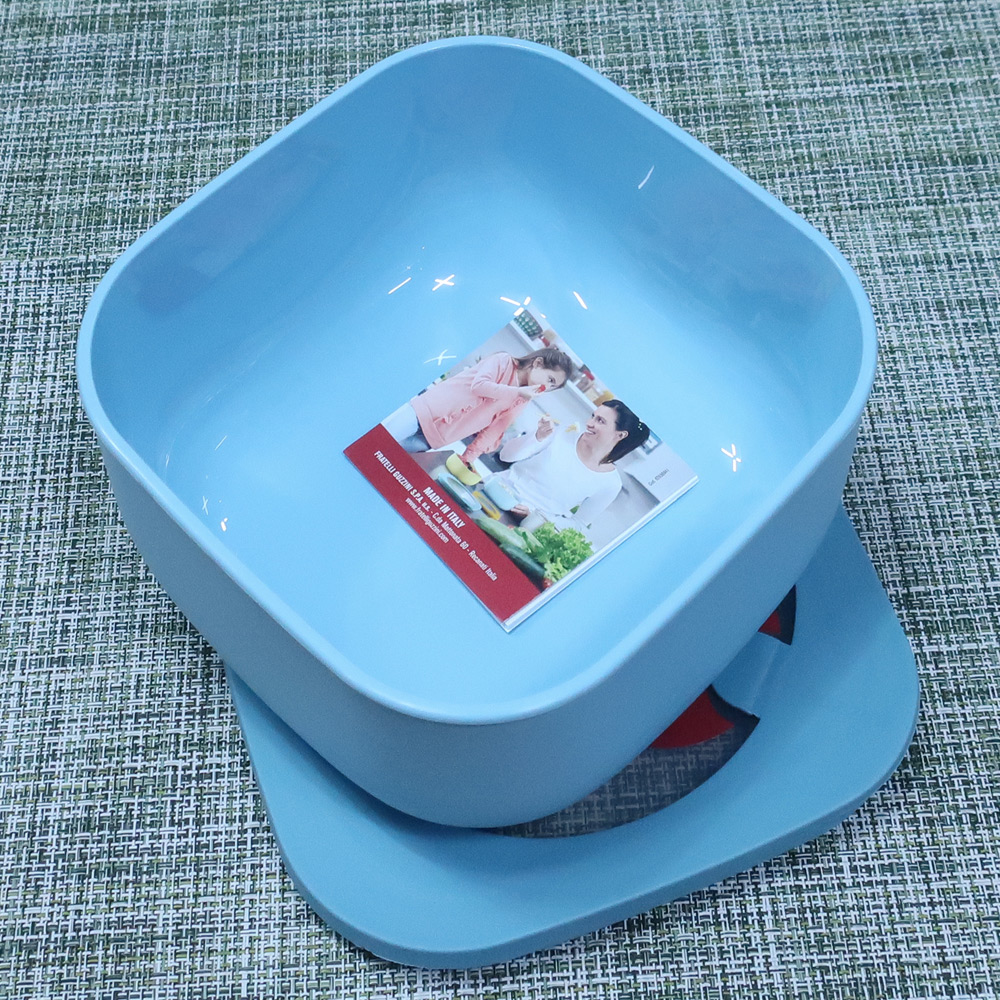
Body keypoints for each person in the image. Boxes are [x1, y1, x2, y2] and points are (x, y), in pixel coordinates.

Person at [382, 348, 574, 464]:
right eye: (550, 379)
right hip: (422, 412)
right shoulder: (503, 361)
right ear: (538, 363)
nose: (547, 387)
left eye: (552, 387)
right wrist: (517, 391)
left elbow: (496, 428)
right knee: (375, 445)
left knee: (385, 462)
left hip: (435, 438)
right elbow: (480, 386)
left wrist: (468, 458)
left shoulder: (523, 398)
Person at [494, 399, 651, 534]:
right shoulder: (561, 433)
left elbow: (579, 524)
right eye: (593, 416)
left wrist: (536, 516)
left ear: (620, 435)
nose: (589, 423)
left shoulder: (611, 483)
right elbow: (505, 456)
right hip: (495, 492)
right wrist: (537, 437)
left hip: (524, 526)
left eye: (600, 421)